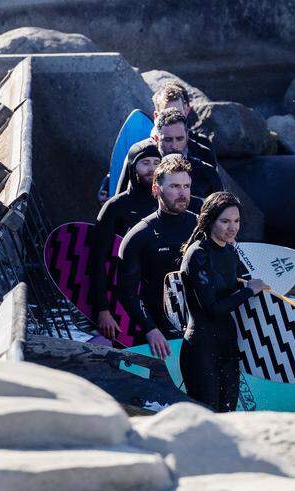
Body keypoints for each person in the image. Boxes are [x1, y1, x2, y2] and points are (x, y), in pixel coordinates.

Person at [178, 191, 266, 412]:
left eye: (236, 221)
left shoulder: (229, 251)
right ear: (209, 220)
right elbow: (213, 307)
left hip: (227, 347)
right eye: (225, 221)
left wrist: (245, 286)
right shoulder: (197, 254)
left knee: (228, 417)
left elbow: (226, 287)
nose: (232, 227)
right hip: (201, 349)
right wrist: (248, 291)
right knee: (207, 418)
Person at [116, 155, 200, 358]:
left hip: (199, 329)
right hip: (156, 333)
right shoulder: (138, 235)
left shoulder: (202, 228)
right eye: (174, 187)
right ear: (156, 189)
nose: (182, 193)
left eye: (186, 186)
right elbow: (127, 293)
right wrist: (150, 329)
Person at [88, 141, 161, 340]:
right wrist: (102, 310)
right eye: (145, 162)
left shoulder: (165, 204)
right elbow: (97, 260)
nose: (152, 168)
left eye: (157, 162)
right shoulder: (115, 207)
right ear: (132, 166)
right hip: (119, 301)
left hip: (156, 302)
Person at [115, 108, 222, 199]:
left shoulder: (206, 172)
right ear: (156, 138)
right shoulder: (139, 160)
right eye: (168, 140)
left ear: (187, 135)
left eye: (179, 139)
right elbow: (119, 201)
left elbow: (221, 212)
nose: (174, 145)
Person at [151, 82, 217, 167]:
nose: (174, 118)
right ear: (156, 116)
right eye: (167, 114)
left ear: (186, 112)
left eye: (178, 113)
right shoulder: (143, 151)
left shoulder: (203, 151)